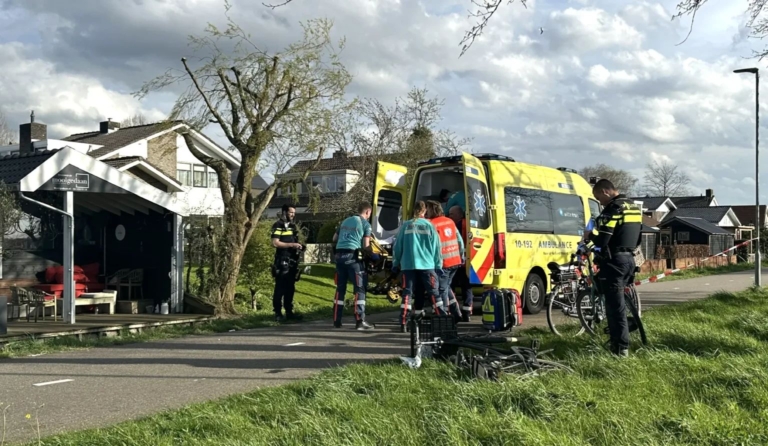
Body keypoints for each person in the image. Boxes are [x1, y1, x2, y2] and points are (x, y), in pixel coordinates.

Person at [582, 178, 642, 357]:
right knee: (621, 302)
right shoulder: (633, 207)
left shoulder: (613, 209)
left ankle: (620, 347)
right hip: (630, 259)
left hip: (614, 261)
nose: (600, 201)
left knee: (615, 307)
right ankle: (627, 329)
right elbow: (638, 236)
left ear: (606, 192)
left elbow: (603, 240)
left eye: (598, 197)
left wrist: (589, 236)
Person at [392, 201, 444, 331]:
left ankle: (403, 322)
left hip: (408, 266)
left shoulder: (406, 226)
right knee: (433, 293)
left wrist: (395, 262)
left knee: (407, 294)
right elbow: (437, 248)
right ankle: (442, 320)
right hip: (427, 265)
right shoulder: (429, 226)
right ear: (424, 211)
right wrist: (439, 264)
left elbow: (398, 247)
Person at [332, 202, 377, 330]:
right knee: (360, 288)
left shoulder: (345, 221)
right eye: (369, 213)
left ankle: (336, 320)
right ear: (367, 212)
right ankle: (360, 320)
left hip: (339, 258)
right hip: (353, 258)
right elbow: (366, 245)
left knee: (340, 289)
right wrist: (374, 256)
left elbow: (334, 238)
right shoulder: (365, 224)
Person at [425, 200, 465, 319]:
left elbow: (430, 245)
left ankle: (445, 317)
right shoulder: (450, 221)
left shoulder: (431, 224)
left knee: (442, 290)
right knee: (446, 287)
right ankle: (456, 313)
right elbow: (460, 241)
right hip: (455, 261)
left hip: (443, 263)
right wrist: (461, 256)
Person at [270, 204, 304, 322]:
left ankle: (289, 312)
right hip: (282, 259)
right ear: (284, 212)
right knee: (280, 287)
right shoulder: (278, 225)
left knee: (290, 287)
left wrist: (299, 246)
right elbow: (275, 243)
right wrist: (291, 245)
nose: (292, 215)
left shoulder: (292, 226)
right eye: (291, 212)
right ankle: (278, 313)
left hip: (292, 259)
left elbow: (294, 240)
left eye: (294, 213)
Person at [448, 205, 473, 322]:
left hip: (455, 261)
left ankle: (453, 311)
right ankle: (467, 311)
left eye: (451, 214)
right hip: (466, 261)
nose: (449, 216)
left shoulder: (455, 225)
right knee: (466, 287)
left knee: (450, 286)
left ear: (458, 214)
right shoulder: (469, 224)